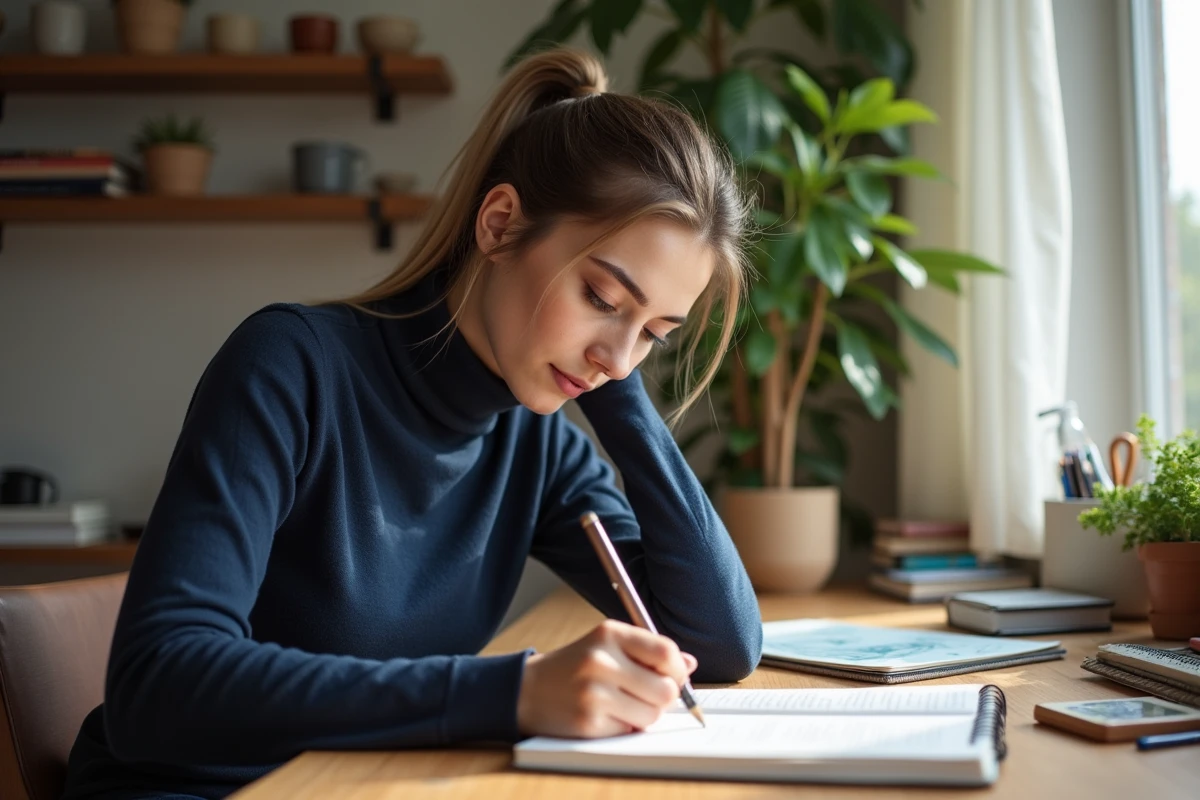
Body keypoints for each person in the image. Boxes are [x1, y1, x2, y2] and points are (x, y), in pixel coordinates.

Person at [61, 47, 761, 799]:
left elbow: (720, 645)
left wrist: (614, 387)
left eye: (656, 332)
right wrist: (510, 695)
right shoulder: (292, 365)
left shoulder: (537, 444)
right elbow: (157, 688)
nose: (620, 358)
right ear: (499, 225)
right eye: (602, 295)